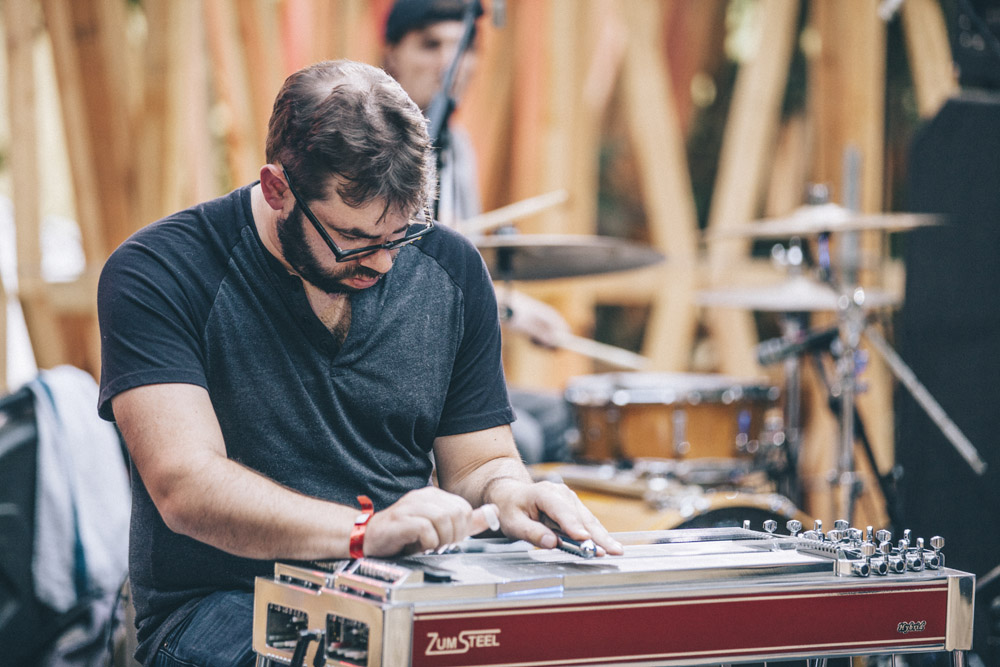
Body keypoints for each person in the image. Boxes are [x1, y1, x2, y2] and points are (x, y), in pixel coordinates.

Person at [97, 60, 621, 667]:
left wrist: (510, 492)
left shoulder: (450, 270)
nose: (385, 264)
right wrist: (362, 532)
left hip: (395, 588)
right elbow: (185, 486)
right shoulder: (158, 272)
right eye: (355, 238)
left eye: (401, 234)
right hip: (222, 605)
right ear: (277, 189)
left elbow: (479, 460)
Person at [382, 0, 576, 463]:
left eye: (464, 47)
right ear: (391, 55)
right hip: (390, 373)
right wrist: (509, 310)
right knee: (521, 440)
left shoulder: (457, 147)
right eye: (430, 45)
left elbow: (456, 260)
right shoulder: (378, 144)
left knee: (566, 417)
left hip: (444, 376)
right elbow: (401, 269)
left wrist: (503, 303)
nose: (449, 62)